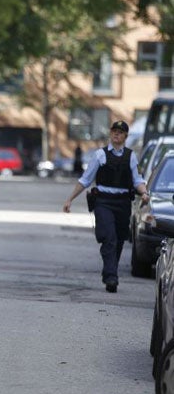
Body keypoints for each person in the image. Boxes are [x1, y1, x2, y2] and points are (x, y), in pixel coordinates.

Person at [62, 120, 149, 293]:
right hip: (103, 202)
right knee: (109, 238)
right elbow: (85, 180)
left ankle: (110, 271)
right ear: (111, 134)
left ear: (125, 136)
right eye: (114, 131)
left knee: (118, 240)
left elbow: (137, 180)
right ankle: (111, 277)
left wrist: (144, 193)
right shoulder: (99, 155)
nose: (116, 134)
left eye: (120, 132)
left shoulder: (131, 156)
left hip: (123, 202)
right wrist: (69, 199)